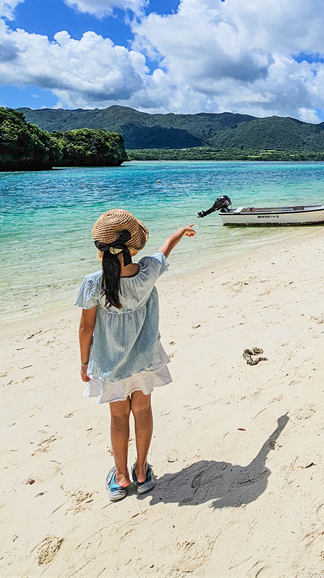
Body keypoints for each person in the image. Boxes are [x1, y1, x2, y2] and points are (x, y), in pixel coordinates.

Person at [76, 209, 196, 501]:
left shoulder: (94, 283)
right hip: (145, 358)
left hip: (109, 363)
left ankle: (120, 478)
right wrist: (180, 231)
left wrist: (83, 363)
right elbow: (165, 248)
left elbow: (86, 328)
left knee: (118, 417)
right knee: (142, 410)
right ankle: (142, 472)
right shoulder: (148, 272)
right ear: (134, 248)